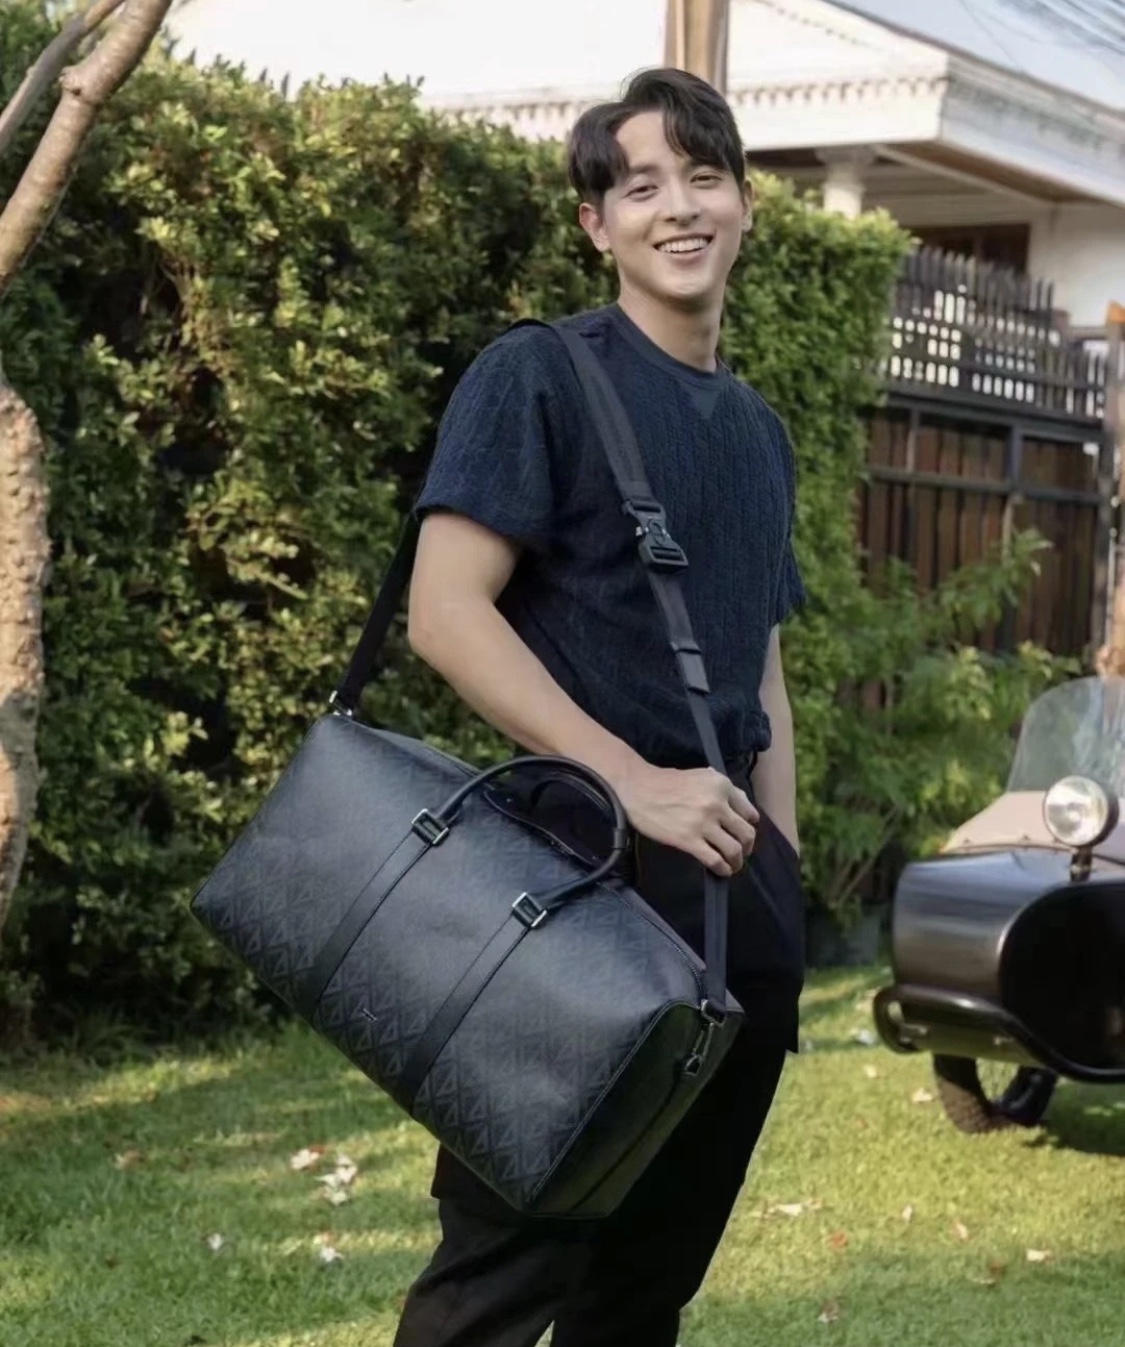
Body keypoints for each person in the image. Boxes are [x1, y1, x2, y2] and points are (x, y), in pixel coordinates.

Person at [394, 66, 807, 1347]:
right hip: (577, 889)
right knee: (501, 1275)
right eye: (640, 187)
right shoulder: (539, 377)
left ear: (744, 204)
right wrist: (634, 781)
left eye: (703, 177)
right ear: (597, 225)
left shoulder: (758, 432)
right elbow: (444, 612)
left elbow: (759, 666)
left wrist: (784, 874)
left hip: (735, 912)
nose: (677, 207)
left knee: (645, 1290)